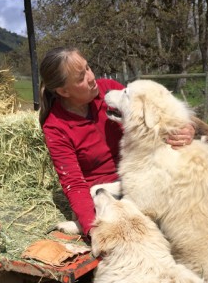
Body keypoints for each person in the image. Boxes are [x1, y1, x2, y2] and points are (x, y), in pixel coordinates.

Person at [39, 46, 195, 237]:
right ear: (63, 91)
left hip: (140, 178)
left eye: (88, 68)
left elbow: (153, 117)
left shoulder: (109, 90)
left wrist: (183, 129)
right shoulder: (56, 126)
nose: (91, 77)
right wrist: (94, 230)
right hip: (105, 196)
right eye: (81, 78)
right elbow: (74, 183)